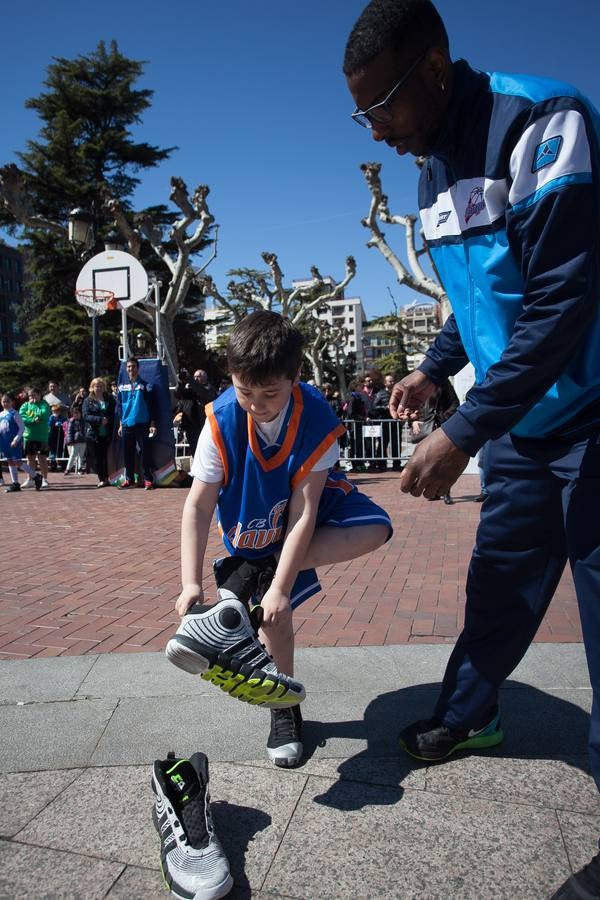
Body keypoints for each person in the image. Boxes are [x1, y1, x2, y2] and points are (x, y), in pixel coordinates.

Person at [345, 2, 600, 895]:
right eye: (361, 114)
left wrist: (462, 429)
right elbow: (474, 294)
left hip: (591, 417)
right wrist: (431, 370)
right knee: (497, 585)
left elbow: (562, 299)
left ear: (437, 69)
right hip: (524, 426)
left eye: (383, 105)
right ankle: (471, 713)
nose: (376, 128)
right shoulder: (427, 171)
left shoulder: (542, 122)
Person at [167, 310, 392, 768]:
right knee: (274, 621)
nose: (257, 403)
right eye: (245, 391)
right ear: (231, 377)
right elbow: (198, 505)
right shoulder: (221, 420)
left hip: (303, 508)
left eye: (271, 393)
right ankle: (284, 709)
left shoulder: (316, 415)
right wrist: (190, 582)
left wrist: (282, 585)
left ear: (295, 376)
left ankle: (237, 596)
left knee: (376, 528)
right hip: (253, 519)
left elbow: (304, 511)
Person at [409, 378, 459, 503]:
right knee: (429, 462)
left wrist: (443, 418)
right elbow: (415, 407)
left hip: (442, 426)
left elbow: (455, 404)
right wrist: (414, 421)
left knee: (444, 461)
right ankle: (432, 491)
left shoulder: (444, 383)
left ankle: (446, 492)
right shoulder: (420, 385)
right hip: (427, 426)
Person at [116, 356, 157, 490]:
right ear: (126, 369)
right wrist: (121, 424)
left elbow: (152, 406)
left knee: (145, 453)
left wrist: (152, 423)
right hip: (127, 424)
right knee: (128, 453)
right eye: (128, 367)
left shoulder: (145, 386)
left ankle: (147, 479)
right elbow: (120, 407)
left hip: (143, 423)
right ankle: (129, 479)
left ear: (138, 368)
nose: (131, 369)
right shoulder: (121, 387)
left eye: (133, 366)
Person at [0, 392, 42, 492]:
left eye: (7, 401)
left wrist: (16, 439)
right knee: (10, 461)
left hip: (14, 442)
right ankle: (15, 483)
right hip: (4, 442)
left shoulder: (15, 414)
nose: (5, 403)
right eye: (3, 401)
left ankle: (36, 476)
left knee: (18, 462)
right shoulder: (1, 414)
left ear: (12, 402)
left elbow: (22, 428)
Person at [82, 377, 115, 488]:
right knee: (97, 458)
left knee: (107, 456)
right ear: (92, 387)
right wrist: (100, 420)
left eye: (101, 386)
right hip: (94, 434)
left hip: (107, 432)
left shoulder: (109, 398)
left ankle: (109, 477)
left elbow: (115, 412)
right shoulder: (88, 400)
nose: (99, 388)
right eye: (97, 386)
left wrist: (108, 420)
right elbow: (86, 416)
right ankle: (102, 478)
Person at [19, 386, 51, 489]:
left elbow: (44, 413)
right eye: (30, 396)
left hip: (42, 436)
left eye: (34, 395)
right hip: (29, 436)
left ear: (39, 395)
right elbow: (22, 417)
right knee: (30, 458)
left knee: (42, 458)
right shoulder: (25, 405)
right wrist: (33, 420)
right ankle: (30, 479)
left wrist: (37, 416)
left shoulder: (44, 404)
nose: (31, 398)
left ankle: (45, 479)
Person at [373, 373, 403, 470]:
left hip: (396, 423)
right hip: (384, 423)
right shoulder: (380, 394)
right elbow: (374, 407)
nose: (392, 382)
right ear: (385, 383)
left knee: (396, 443)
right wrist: (386, 408)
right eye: (390, 381)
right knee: (383, 443)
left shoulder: (398, 393)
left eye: (393, 380)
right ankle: (381, 464)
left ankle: (396, 463)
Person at [63, 405, 86, 475]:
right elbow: (69, 432)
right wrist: (70, 441)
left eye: (77, 413)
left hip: (83, 440)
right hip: (75, 441)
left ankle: (80, 468)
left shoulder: (83, 421)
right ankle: (68, 468)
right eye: (75, 413)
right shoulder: (71, 421)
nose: (76, 414)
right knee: (73, 455)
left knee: (81, 455)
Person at [47, 403, 67, 472]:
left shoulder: (62, 417)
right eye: (54, 411)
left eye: (57, 411)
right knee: (52, 449)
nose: (56, 412)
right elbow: (49, 424)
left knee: (60, 449)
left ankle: (60, 463)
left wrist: (62, 423)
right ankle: (53, 464)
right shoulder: (51, 417)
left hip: (60, 435)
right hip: (52, 435)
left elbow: (66, 422)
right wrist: (54, 424)